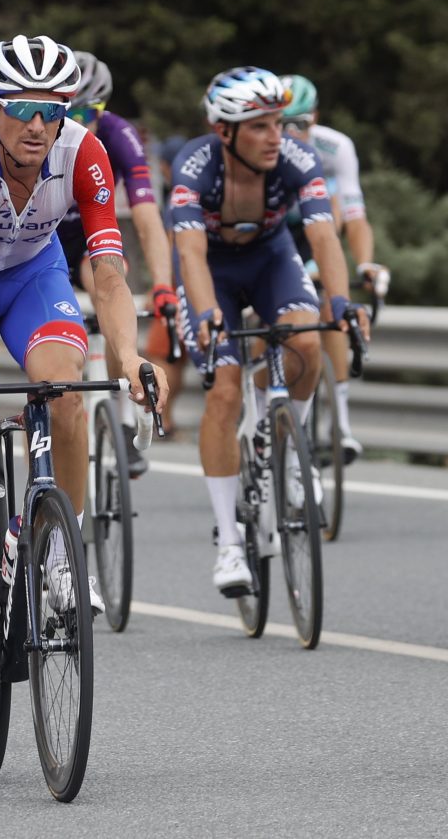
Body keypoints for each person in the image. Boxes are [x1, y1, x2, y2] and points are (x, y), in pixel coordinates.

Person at [0, 35, 165, 728]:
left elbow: (108, 275)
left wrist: (129, 356)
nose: (37, 124)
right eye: (21, 108)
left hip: (33, 277)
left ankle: (57, 551)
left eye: (52, 110)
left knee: (67, 392)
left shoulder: (84, 151)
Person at [171, 67, 366, 596]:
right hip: (211, 270)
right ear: (225, 131)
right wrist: (206, 313)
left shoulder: (298, 158)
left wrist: (341, 302)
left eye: (278, 123)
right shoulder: (195, 165)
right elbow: (190, 253)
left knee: (306, 342)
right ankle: (230, 543)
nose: (276, 136)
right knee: (224, 390)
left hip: (270, 260)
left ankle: (292, 452)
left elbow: (323, 237)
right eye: (260, 126)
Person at [64, 51, 174, 476]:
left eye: (87, 113)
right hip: (43, 238)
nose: (77, 122)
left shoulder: (118, 135)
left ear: (103, 109)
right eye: (67, 111)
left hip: (92, 233)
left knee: (113, 283)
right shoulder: (42, 136)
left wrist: (162, 285)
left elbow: (147, 217)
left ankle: (124, 417)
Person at [280, 74, 385, 461]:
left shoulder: (334, 147)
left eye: (300, 124)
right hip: (276, 233)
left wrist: (365, 262)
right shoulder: (264, 147)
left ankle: (340, 424)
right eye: (281, 123)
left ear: (316, 117)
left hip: (319, 231)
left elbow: (354, 216)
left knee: (331, 308)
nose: (290, 133)